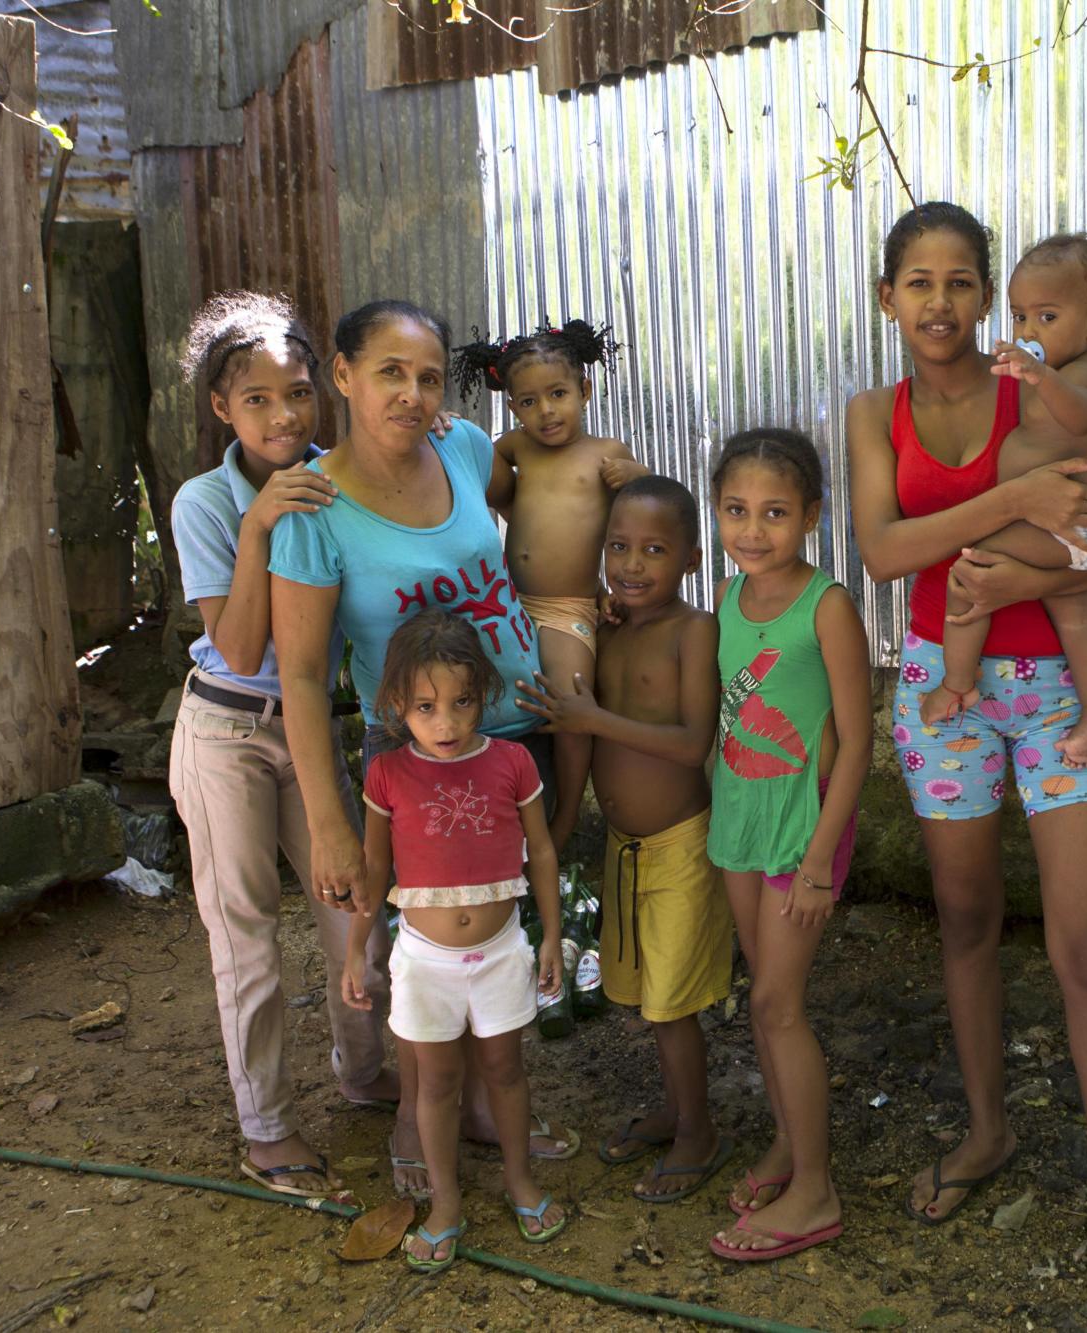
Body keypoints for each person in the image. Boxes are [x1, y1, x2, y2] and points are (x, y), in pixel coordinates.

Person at [847, 203, 1087, 1319]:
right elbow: (883, 552)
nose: (940, 303)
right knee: (961, 919)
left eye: (961, 282)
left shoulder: (1041, 383)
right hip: (937, 688)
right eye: (917, 281)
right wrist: (1005, 512)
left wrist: (1018, 582)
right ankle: (987, 1129)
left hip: (1054, 690)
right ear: (887, 298)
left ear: (989, 294)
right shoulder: (873, 413)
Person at [268, 298, 578, 1197]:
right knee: (422, 944)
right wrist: (328, 822)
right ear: (342, 375)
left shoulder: (466, 450)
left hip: (519, 736)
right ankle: (417, 1111)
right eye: (390, 372)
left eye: (429, 376)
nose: (411, 393)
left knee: (496, 925)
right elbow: (298, 678)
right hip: (416, 755)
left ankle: (486, 1105)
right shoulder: (315, 512)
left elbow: (523, 520)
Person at [165, 291, 383, 1201]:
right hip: (225, 732)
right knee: (246, 934)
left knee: (355, 914)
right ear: (222, 409)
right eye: (256, 399)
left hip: (309, 730)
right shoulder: (205, 504)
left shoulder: (343, 475)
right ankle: (265, 1128)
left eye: (296, 392)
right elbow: (247, 650)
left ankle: (366, 1075)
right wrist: (260, 526)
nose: (283, 414)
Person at [514, 475, 736, 1204]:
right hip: (625, 848)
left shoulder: (693, 630)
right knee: (647, 996)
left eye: (653, 550)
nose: (632, 564)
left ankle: (699, 1131)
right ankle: (674, 1110)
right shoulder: (607, 632)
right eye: (618, 547)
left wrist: (592, 718)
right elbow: (581, 735)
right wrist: (568, 814)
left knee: (673, 1003)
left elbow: (691, 741)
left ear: (691, 560)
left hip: (680, 844)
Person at [341, 610, 568, 1270]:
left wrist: (550, 935)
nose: (447, 722)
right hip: (423, 959)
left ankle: (520, 1179)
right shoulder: (387, 774)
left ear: (483, 692)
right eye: (426, 706)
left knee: (505, 1068)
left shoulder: (512, 761)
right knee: (435, 1083)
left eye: (462, 701)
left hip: (501, 950)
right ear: (395, 705)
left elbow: (543, 852)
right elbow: (375, 868)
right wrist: (357, 950)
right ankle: (445, 1203)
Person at [702, 429, 872, 1262]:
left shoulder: (826, 606)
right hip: (738, 824)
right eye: (737, 510)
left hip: (801, 835)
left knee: (778, 1003)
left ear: (810, 514)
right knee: (762, 996)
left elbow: (858, 742)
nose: (753, 529)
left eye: (774, 512)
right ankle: (785, 1142)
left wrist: (817, 861)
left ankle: (816, 1189)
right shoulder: (727, 603)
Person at [920, 232, 1087, 766]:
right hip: (1077, 528)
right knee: (1075, 620)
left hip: (1062, 526)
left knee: (970, 573)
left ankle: (957, 684)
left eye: (1047, 318)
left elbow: (1083, 415)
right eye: (1019, 318)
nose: (1029, 332)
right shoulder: (1072, 372)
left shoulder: (1076, 373)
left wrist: (1037, 376)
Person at [452, 320, 648, 854]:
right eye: (529, 401)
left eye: (558, 394)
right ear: (513, 407)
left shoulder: (608, 451)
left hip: (567, 607)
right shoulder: (517, 446)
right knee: (488, 697)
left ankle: (565, 815)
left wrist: (636, 474)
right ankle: (481, 805)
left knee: (568, 702)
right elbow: (493, 484)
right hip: (509, 603)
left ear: (584, 390)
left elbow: (634, 524)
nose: (547, 411)